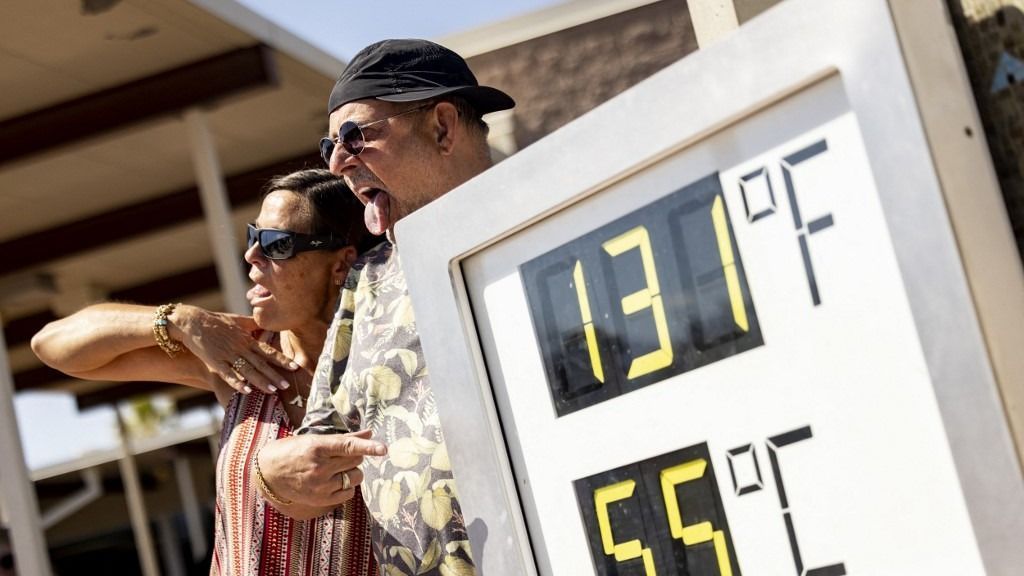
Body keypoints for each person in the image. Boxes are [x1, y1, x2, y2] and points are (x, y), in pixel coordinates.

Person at [31, 169, 385, 576]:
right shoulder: (243, 356)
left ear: (341, 264)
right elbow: (53, 346)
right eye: (253, 238)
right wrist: (179, 320)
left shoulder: (393, 362)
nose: (252, 256)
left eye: (277, 244)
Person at [254, 39, 515, 575]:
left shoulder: (545, 226)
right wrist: (271, 475)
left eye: (355, 135)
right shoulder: (367, 283)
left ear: (442, 127)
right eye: (328, 145)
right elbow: (319, 452)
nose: (337, 162)